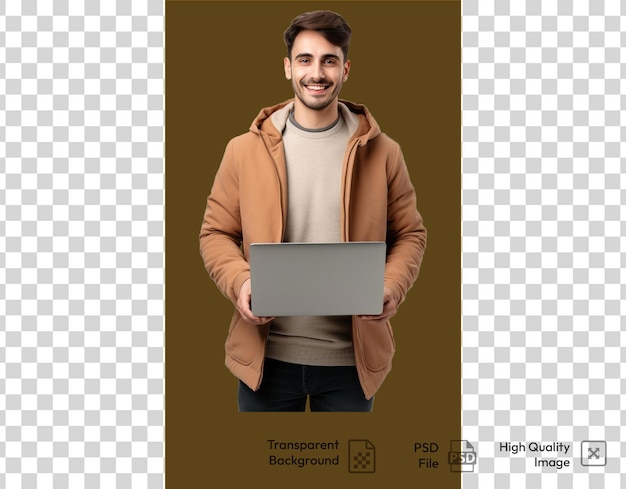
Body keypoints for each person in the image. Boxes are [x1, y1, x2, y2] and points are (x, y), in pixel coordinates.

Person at [199, 10, 427, 412]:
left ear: (346, 68)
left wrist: (392, 286)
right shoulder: (242, 149)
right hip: (264, 363)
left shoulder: (385, 151)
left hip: (351, 365)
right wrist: (240, 281)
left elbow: (410, 234)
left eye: (329, 60)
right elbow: (215, 233)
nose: (316, 73)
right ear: (288, 67)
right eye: (305, 59)